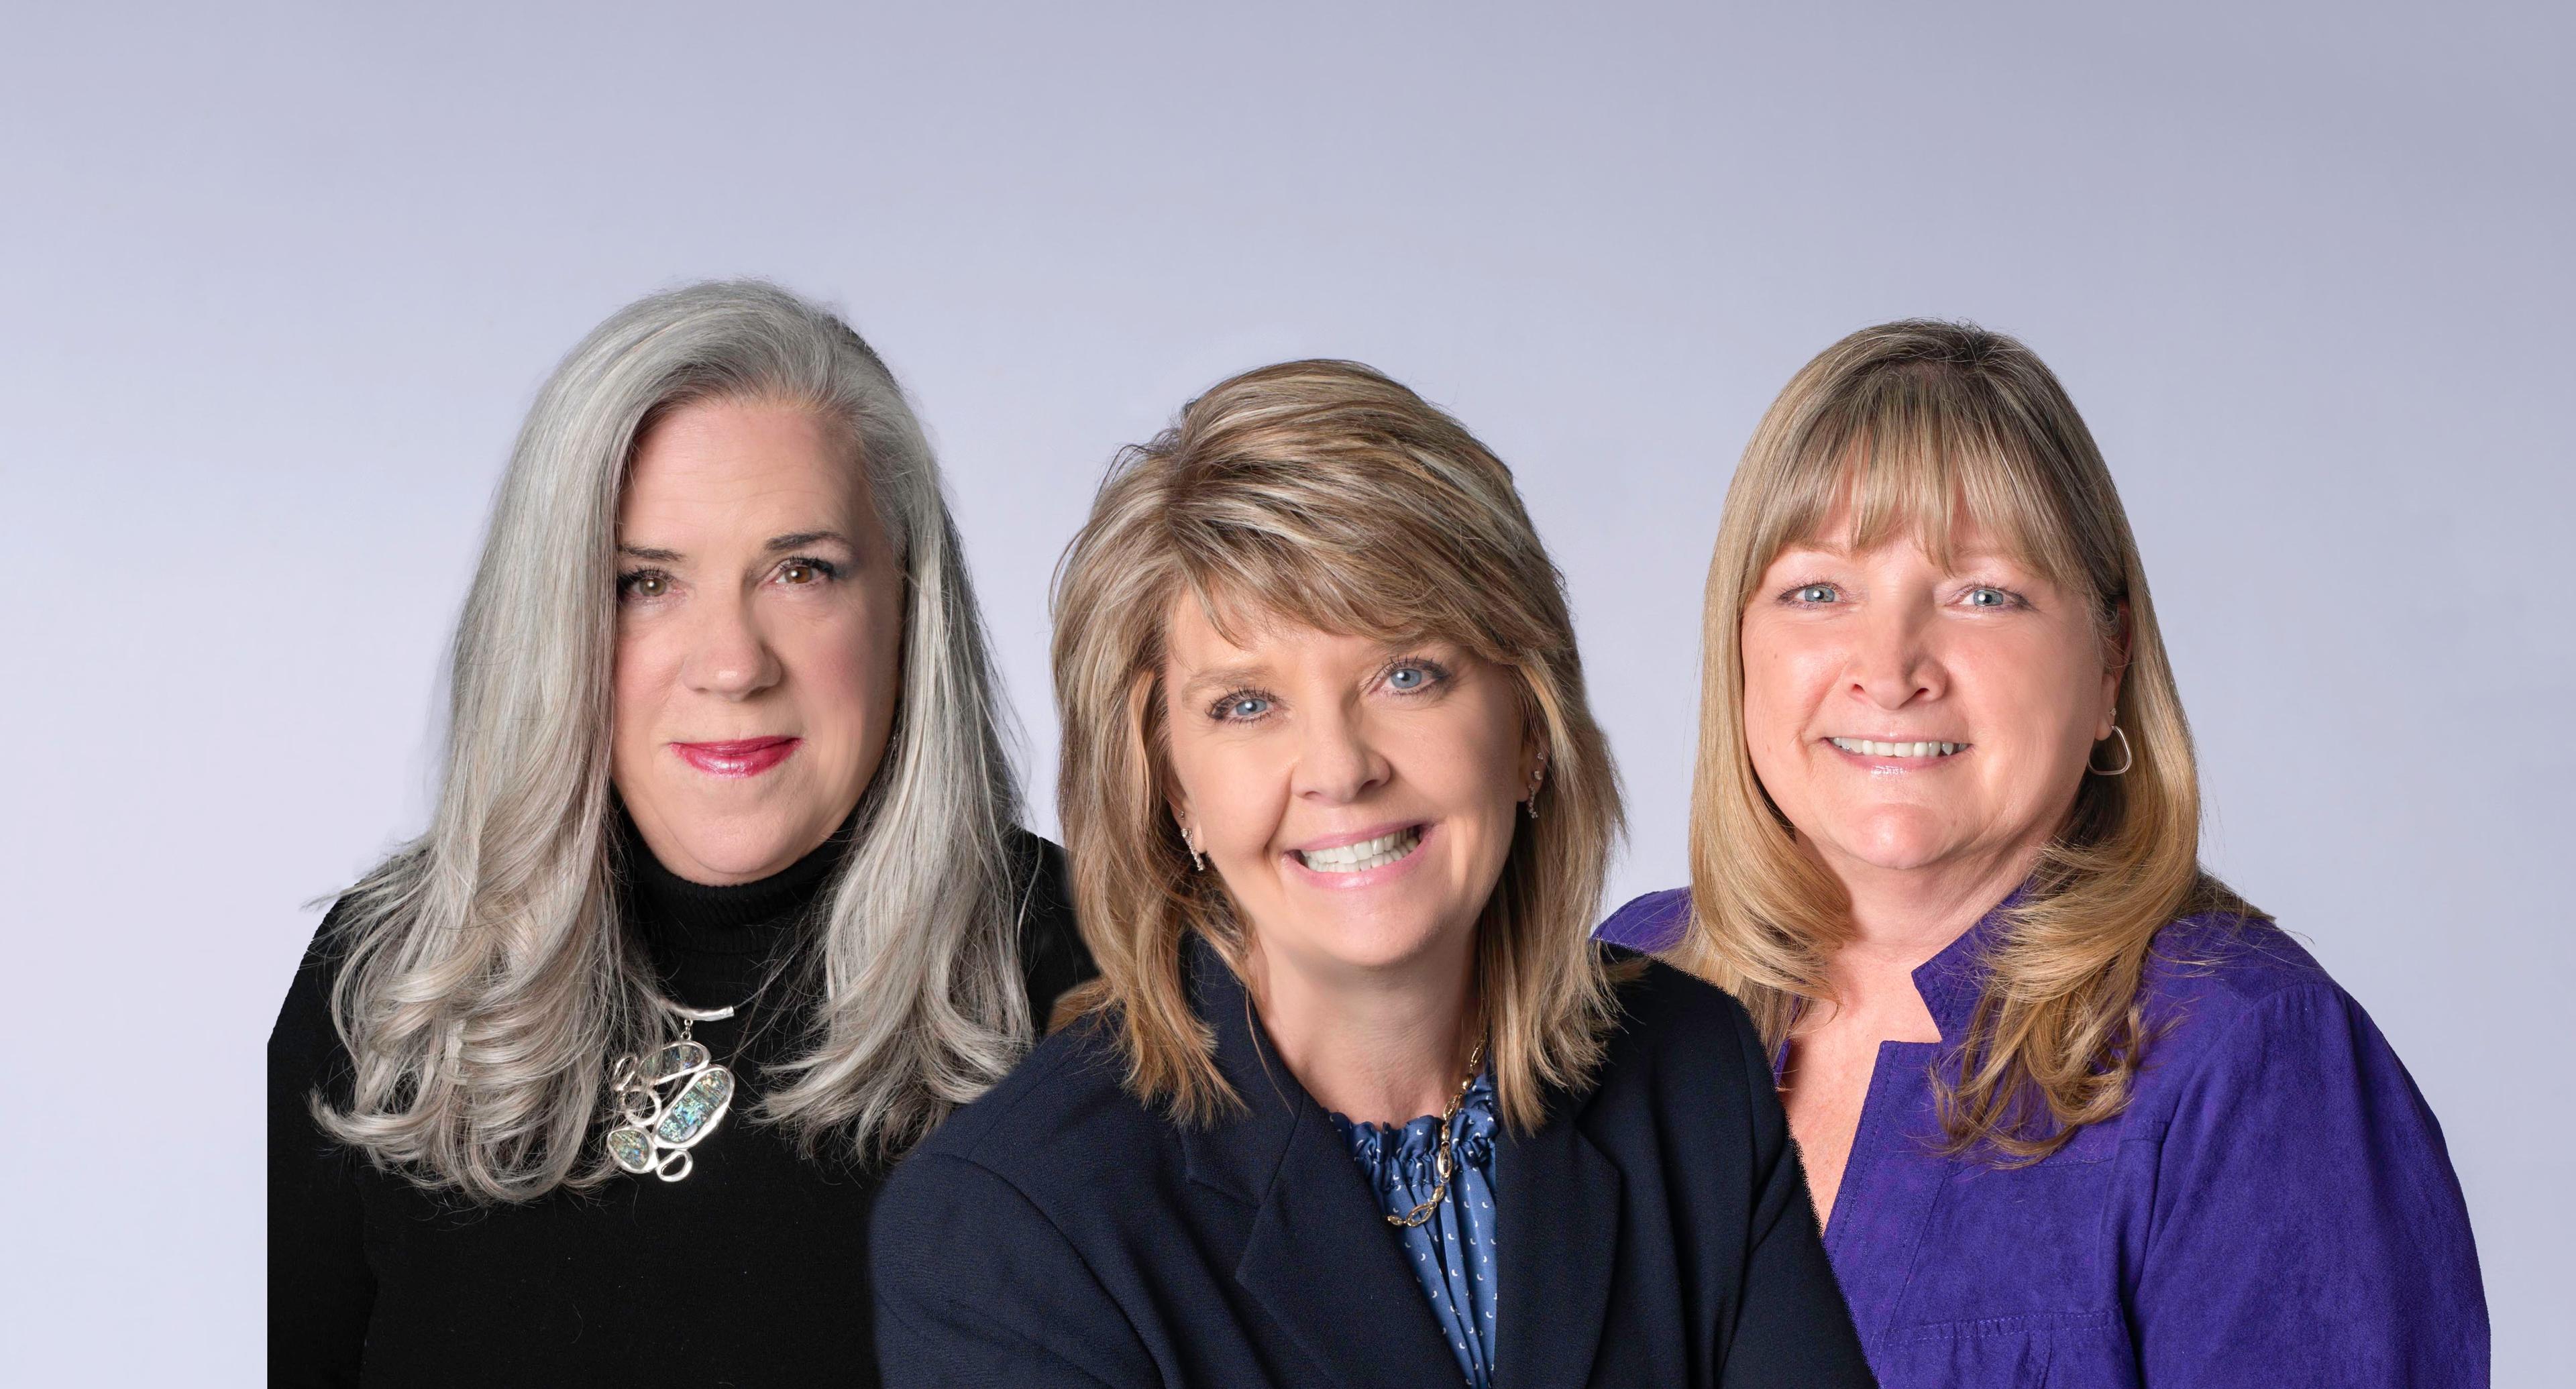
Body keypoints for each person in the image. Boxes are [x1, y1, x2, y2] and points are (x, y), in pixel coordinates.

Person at [871, 361, 1876, 1387]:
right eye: (1246, 705)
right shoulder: (1008, 1223)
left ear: (1528, 724)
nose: (1343, 769)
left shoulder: (1690, 1073)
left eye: (1407, 675)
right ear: (1173, 791)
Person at [1599, 320, 2486, 1384]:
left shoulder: (2246, 1061)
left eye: (1985, 594)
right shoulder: (1632, 985)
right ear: (1738, 643)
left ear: (2109, 660)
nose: (1889, 670)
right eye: (1819, 591)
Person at [267, 280, 1092, 1386]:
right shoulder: (390, 979)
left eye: (802, 572)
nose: (733, 664)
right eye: (646, 583)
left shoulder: (1093, 980)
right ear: (554, 619)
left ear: (906, 604)